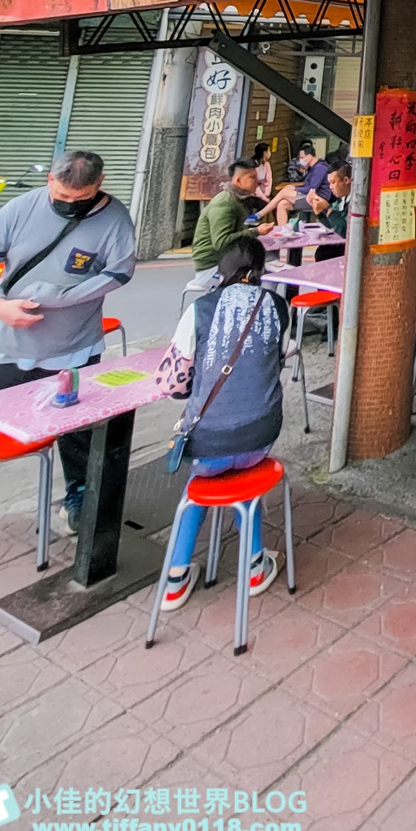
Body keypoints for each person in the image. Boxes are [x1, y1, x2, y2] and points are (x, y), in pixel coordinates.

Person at [0, 150, 136, 536]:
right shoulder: (21, 208)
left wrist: (59, 297)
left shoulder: (115, 219)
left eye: (81, 197)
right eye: (62, 196)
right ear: (49, 182)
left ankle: (79, 496)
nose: (69, 204)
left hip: (73, 345)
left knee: (78, 432)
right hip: (5, 338)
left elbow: (118, 274)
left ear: (99, 184)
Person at [155, 234, 290, 611]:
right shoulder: (279, 307)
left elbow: (174, 384)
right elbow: (277, 361)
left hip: (207, 442)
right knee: (246, 481)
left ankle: (176, 579)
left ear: (220, 272)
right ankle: (254, 564)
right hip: (261, 433)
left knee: (200, 485)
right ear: (262, 271)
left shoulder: (199, 310)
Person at [188, 160, 261, 291]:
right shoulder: (225, 203)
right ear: (238, 181)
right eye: (252, 178)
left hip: (225, 261)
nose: (257, 181)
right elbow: (221, 242)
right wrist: (256, 231)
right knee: (258, 275)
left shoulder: (238, 200)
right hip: (211, 268)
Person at [308, 162, 351, 239]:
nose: (331, 187)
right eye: (329, 183)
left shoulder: (355, 203)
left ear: (346, 180)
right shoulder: (341, 199)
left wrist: (328, 209)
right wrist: (319, 210)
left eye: (333, 182)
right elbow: (331, 225)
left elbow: (344, 231)